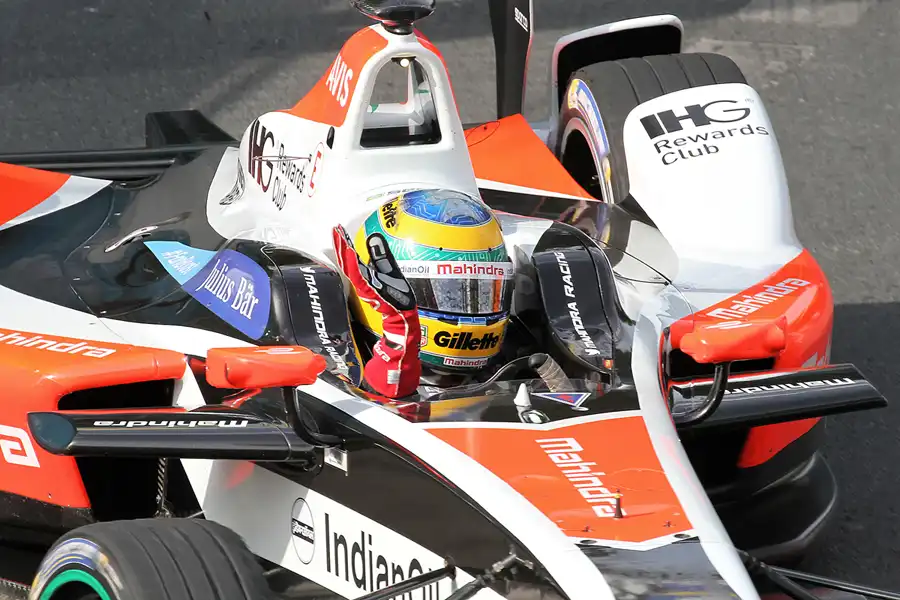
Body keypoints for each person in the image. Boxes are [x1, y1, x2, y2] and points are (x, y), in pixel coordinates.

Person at [332, 188, 515, 399]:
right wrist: (399, 331)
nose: (471, 312)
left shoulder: (518, 356)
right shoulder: (337, 356)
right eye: (449, 294)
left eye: (485, 293)